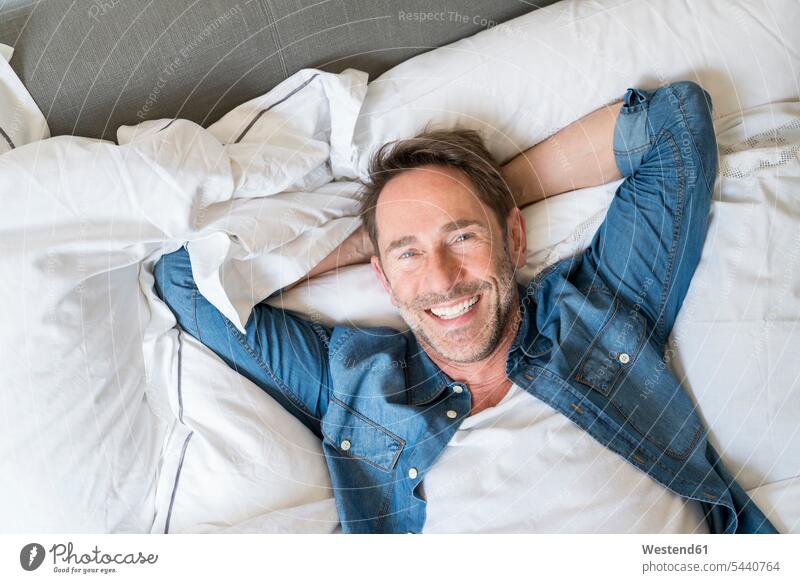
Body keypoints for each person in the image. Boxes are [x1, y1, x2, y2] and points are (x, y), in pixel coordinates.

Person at [154, 81, 777, 534]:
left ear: (513, 237)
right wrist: (374, 239)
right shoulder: (354, 384)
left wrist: (486, 198)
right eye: (408, 255)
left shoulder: (596, 309)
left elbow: (674, 121)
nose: (444, 280)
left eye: (462, 239)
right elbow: (188, 280)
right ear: (381, 276)